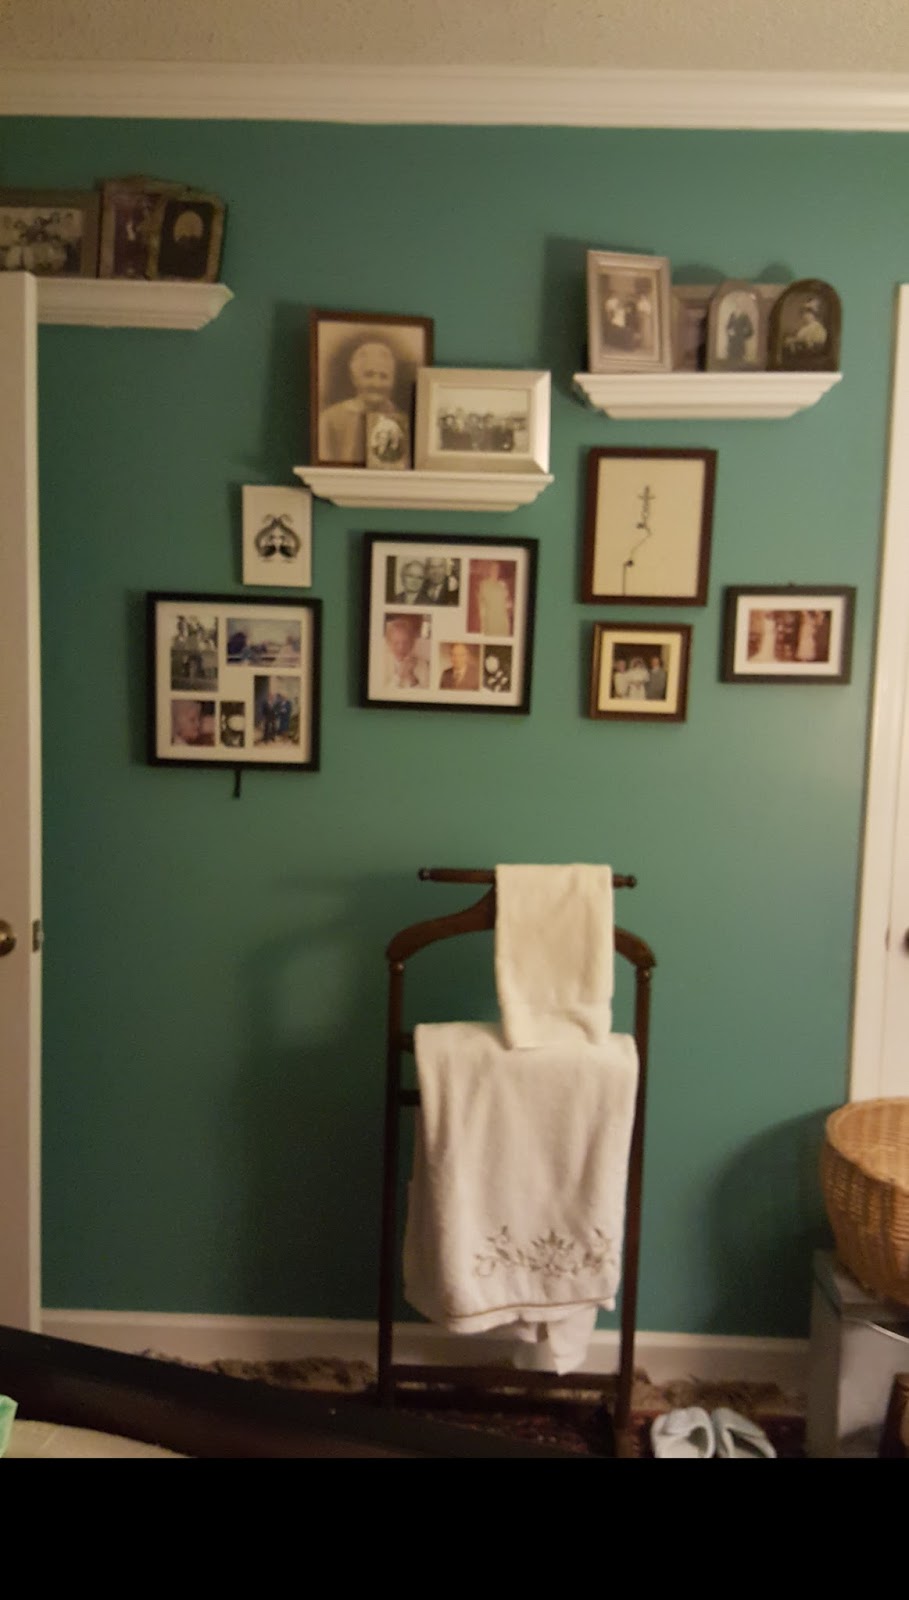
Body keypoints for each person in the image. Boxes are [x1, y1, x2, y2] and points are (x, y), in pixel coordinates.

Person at [318, 339, 407, 465]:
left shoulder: (401, 420)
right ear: (355, 378)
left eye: (384, 376)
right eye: (369, 375)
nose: (376, 384)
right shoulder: (329, 419)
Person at [383, 615, 429, 689]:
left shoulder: (422, 664)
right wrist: (399, 676)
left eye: (406, 642)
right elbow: (382, 693)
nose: (401, 647)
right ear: (389, 644)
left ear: (412, 643)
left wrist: (411, 676)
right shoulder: (382, 663)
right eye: (396, 643)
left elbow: (425, 695)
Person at [477, 562, 512, 636]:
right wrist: (482, 626)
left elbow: (508, 603)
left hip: (503, 622)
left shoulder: (502, 585)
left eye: (497, 569)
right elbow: (481, 605)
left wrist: (509, 603)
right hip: (490, 623)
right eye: (493, 569)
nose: (495, 571)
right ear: (489, 570)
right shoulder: (484, 584)